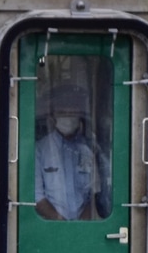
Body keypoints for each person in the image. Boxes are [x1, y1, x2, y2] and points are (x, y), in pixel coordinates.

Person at [35, 82, 111, 221]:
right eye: (63, 112)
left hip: (84, 228)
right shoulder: (40, 149)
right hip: (49, 229)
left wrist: (79, 227)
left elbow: (95, 194)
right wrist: (61, 223)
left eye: (73, 112)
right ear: (53, 115)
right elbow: (37, 197)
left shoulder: (90, 148)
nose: (68, 117)